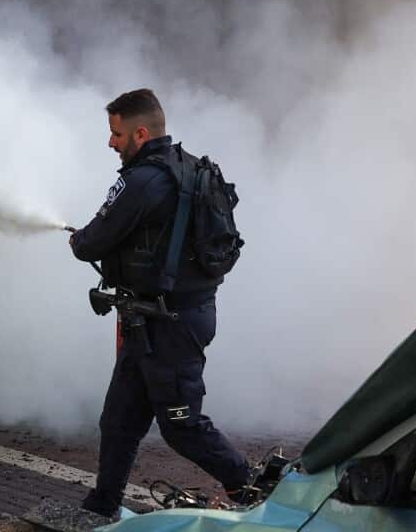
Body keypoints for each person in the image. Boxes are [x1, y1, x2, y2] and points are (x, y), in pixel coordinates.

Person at [69, 88, 250, 516]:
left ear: (141, 133)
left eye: (116, 134)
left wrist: (79, 239)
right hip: (156, 320)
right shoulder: (187, 168)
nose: (111, 143)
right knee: (118, 421)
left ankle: (255, 488)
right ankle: (101, 505)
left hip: (169, 325)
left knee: (182, 427)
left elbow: (91, 242)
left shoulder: (141, 180)